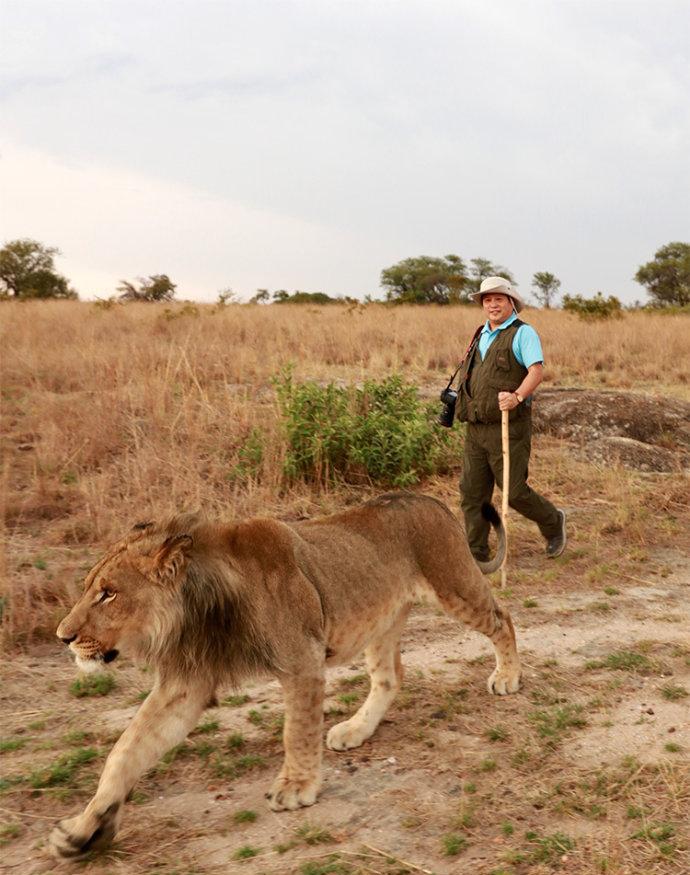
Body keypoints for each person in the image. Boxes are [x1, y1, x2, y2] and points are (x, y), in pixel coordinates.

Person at [454, 276, 566, 561]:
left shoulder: (523, 333)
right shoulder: (480, 334)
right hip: (476, 429)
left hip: (508, 427)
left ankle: (553, 522)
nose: (493, 305)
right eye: (487, 300)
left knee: (513, 492)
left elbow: (536, 372)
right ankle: (477, 553)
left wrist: (517, 396)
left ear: (511, 302)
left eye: (498, 299)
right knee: (472, 493)